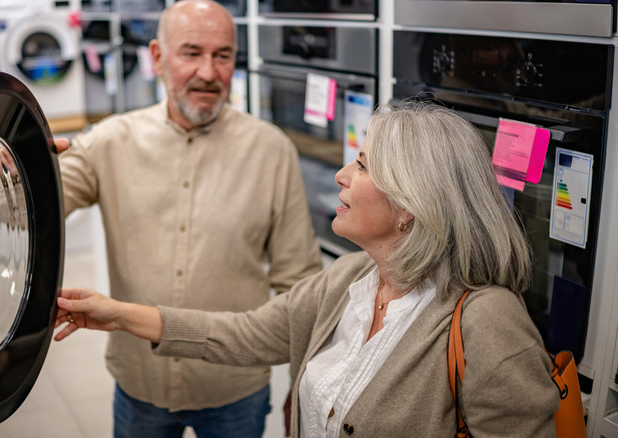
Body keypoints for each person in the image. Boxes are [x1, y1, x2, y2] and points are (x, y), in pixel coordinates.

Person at [54, 101, 562, 437]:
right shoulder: (349, 280)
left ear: (411, 204)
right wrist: (117, 315)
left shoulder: (487, 322)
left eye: (362, 165)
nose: (341, 175)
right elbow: (245, 334)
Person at [54, 0, 322, 436]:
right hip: (140, 383)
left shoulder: (271, 151)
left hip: (233, 388)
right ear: (158, 57)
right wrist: (21, 165)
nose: (209, 73)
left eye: (222, 56)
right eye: (192, 53)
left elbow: (302, 285)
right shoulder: (109, 141)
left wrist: (304, 382)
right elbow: (29, 210)